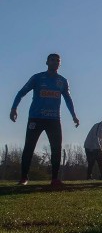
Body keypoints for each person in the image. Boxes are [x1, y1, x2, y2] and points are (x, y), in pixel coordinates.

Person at [10, 53, 80, 186]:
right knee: (29, 147)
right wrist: (14, 108)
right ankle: (24, 177)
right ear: (47, 62)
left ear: (60, 64)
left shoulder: (62, 81)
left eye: (57, 61)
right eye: (52, 60)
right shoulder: (37, 78)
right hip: (36, 118)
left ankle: (55, 178)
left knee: (56, 148)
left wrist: (74, 116)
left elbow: (68, 99)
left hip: (54, 119)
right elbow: (21, 92)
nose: (55, 62)